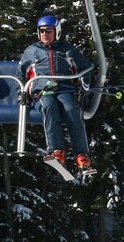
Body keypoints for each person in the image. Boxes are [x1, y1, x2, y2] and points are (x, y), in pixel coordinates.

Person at [19, 14, 94, 173]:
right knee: (49, 107)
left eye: (48, 31)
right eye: (42, 31)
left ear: (57, 32)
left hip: (65, 88)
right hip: (42, 90)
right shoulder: (33, 51)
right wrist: (23, 92)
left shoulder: (68, 50)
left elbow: (84, 68)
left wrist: (84, 84)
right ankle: (56, 150)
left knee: (71, 109)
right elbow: (20, 73)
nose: (44, 34)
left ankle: (81, 154)